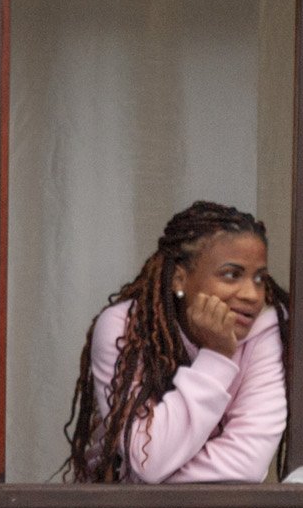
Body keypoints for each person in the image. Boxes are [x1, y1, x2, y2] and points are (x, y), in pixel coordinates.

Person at [64, 201, 288, 483]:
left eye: (259, 279)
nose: (252, 294)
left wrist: (145, 476)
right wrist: (216, 356)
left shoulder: (264, 330)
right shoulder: (124, 328)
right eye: (231, 274)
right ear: (180, 279)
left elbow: (247, 464)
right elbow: (150, 459)